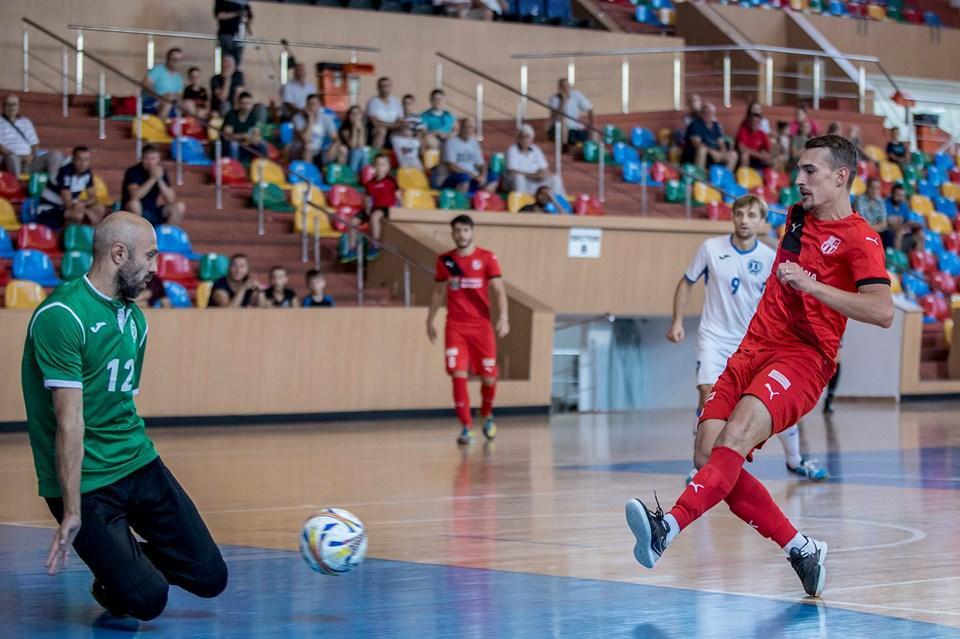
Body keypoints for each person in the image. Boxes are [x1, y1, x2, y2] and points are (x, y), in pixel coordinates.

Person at [626, 135, 893, 598]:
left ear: (841, 176)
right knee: (708, 457)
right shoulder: (794, 218)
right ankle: (801, 547)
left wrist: (813, 287)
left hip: (802, 358)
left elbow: (882, 311)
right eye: (799, 170)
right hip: (751, 349)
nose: (800, 179)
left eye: (811, 171)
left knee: (734, 438)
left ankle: (667, 526)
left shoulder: (861, 240)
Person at [21, 212, 227, 620]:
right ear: (118, 253)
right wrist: (72, 508)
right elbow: (69, 422)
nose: (155, 267)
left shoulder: (135, 320)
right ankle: (118, 574)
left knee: (209, 576)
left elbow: (122, 406)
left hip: (138, 464)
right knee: (147, 601)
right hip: (90, 482)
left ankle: (121, 566)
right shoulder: (63, 315)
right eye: (149, 256)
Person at [667, 193, 828, 483]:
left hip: (755, 341)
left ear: (763, 222)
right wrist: (677, 321)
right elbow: (686, 282)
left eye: (752, 216)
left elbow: (786, 299)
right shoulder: (710, 249)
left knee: (772, 401)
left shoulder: (770, 257)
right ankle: (700, 464)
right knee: (707, 392)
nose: (744, 221)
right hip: (714, 337)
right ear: (732, 217)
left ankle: (795, 459)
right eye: (740, 214)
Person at [426, 214, 510, 445]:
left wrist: (504, 317)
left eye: (465, 230)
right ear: (452, 233)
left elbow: (499, 290)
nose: (461, 235)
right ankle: (466, 427)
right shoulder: (445, 261)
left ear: (472, 232)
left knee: (489, 378)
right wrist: (430, 319)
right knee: (458, 376)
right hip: (456, 327)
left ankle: (487, 414)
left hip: (482, 328)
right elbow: (437, 292)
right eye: (457, 231)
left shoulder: (487, 258)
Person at [342, 154, 398, 263]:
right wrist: (366, 207)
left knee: (375, 216)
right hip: (372, 208)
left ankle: (375, 245)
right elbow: (366, 198)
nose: (380, 168)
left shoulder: (391, 181)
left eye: (383, 165)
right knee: (352, 222)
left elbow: (398, 195)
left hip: (386, 208)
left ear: (388, 167)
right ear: (373, 167)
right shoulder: (370, 183)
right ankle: (352, 249)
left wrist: (401, 210)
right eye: (377, 165)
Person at [36, 146, 105, 230]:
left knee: (100, 208)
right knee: (77, 215)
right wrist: (87, 211)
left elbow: (93, 198)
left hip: (67, 208)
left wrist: (84, 204)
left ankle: (90, 239)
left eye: (86, 160)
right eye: (79, 160)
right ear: (73, 160)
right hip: (49, 209)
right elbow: (68, 204)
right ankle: (64, 241)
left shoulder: (87, 173)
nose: (83, 163)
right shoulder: (65, 172)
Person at [0, 93, 63, 178]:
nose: (11, 107)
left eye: (14, 104)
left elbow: (34, 143)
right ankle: (17, 185)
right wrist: (19, 157)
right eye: (8, 104)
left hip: (29, 161)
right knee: (12, 158)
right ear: (3, 106)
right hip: (10, 160)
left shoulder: (26, 122)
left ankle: (51, 184)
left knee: (55, 156)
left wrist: (32, 156)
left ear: (18, 106)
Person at [121, 145, 186, 227]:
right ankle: (140, 234)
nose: (150, 162)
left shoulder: (161, 172)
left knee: (179, 207)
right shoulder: (133, 172)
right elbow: (135, 196)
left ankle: (166, 235)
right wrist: (152, 179)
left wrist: (159, 179)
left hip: (153, 209)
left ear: (158, 160)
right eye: (147, 159)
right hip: (134, 211)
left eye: (153, 159)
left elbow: (171, 199)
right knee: (134, 204)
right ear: (141, 159)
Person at [504, 124, 565, 196]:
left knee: (556, 179)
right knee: (519, 178)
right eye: (523, 137)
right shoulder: (512, 150)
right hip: (520, 182)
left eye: (528, 137)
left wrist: (541, 175)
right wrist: (532, 175)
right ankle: (522, 203)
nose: (525, 140)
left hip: (535, 181)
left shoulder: (536, 149)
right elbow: (512, 172)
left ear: (532, 139)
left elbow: (545, 169)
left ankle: (559, 203)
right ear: (519, 138)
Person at [441, 118, 495, 194]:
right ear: (461, 127)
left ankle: (481, 200)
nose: (469, 130)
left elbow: (480, 164)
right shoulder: (451, 142)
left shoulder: (474, 143)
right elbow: (451, 166)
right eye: (467, 127)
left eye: (472, 128)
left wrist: (483, 175)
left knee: (493, 177)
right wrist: (472, 175)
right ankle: (461, 202)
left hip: (474, 177)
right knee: (464, 178)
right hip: (455, 177)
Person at [680, 102, 737, 173]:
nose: (708, 114)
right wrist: (712, 152)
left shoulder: (716, 125)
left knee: (733, 155)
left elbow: (721, 143)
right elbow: (697, 144)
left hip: (714, 155)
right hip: (696, 155)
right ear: (701, 113)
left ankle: (724, 177)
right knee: (702, 150)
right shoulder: (695, 124)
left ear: (714, 114)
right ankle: (700, 178)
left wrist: (722, 153)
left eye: (711, 112)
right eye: (706, 112)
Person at [547, 79, 594, 151]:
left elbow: (590, 108)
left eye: (568, 86)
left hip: (575, 126)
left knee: (595, 132)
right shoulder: (554, 98)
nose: (566, 89)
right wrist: (564, 100)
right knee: (563, 120)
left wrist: (591, 124)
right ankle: (564, 145)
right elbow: (557, 116)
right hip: (559, 127)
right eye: (563, 87)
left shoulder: (576, 95)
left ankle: (592, 150)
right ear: (559, 88)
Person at [295, 94, 337, 170]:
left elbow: (335, 138)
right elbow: (306, 139)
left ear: (319, 105)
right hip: (301, 149)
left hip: (320, 149)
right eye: (309, 104)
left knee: (342, 150)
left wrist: (333, 147)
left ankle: (336, 176)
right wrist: (310, 119)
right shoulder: (298, 118)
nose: (311, 107)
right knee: (308, 146)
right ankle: (308, 175)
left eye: (314, 104)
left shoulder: (326, 118)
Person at [223, 92, 265, 163]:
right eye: (243, 103)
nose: (246, 107)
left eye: (248, 104)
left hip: (245, 144)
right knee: (234, 144)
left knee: (263, 144)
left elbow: (256, 134)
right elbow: (227, 137)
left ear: (251, 105)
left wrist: (256, 139)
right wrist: (244, 135)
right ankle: (235, 169)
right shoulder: (231, 115)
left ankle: (263, 167)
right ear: (238, 104)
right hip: (228, 147)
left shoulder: (252, 116)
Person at [143, 48, 184, 119]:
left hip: (170, 103)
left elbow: (179, 95)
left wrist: (172, 97)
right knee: (168, 103)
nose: (176, 62)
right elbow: (146, 85)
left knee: (186, 105)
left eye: (179, 60)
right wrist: (161, 97)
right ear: (168, 59)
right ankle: (158, 128)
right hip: (152, 101)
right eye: (174, 59)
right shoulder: (158, 70)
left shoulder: (179, 77)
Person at [366, 77, 404, 150]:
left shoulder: (396, 101)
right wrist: (393, 125)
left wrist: (397, 125)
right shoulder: (373, 102)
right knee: (382, 130)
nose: (385, 89)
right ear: (378, 88)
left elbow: (400, 119)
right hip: (377, 129)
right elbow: (375, 122)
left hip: (394, 128)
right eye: (383, 86)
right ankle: (375, 155)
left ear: (391, 87)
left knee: (406, 131)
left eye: (387, 86)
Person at [856, 177, 893, 247]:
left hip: (874, 229)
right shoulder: (860, 200)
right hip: (863, 230)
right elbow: (861, 222)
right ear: (867, 187)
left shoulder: (880, 201)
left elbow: (883, 224)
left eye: (877, 189)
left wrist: (873, 228)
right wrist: (876, 227)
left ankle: (886, 256)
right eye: (873, 188)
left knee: (889, 234)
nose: (875, 191)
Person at [737, 103, 773, 170]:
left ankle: (770, 178)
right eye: (753, 117)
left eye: (758, 117)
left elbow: (768, 150)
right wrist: (759, 155)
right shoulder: (743, 130)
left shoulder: (762, 133)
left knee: (770, 158)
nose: (755, 120)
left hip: (758, 160)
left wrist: (765, 154)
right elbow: (741, 148)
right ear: (749, 118)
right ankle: (744, 178)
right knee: (745, 155)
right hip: (747, 159)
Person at [214, 0, 252, 65]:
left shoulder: (243, 2)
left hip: (240, 35)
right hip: (226, 34)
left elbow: (249, 17)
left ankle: (235, 73)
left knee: (237, 61)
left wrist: (246, 21)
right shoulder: (222, 1)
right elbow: (220, 15)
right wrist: (237, 13)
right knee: (226, 61)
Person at [335, 105, 368, 173]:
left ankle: (363, 174)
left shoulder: (363, 127)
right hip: (347, 155)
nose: (355, 116)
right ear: (349, 116)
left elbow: (361, 145)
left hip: (359, 155)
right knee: (356, 152)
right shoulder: (344, 128)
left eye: (358, 113)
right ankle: (353, 174)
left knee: (363, 152)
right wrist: (354, 128)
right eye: (353, 113)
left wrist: (361, 130)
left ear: (361, 116)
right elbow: (352, 146)